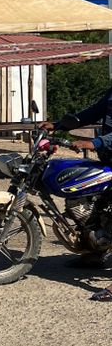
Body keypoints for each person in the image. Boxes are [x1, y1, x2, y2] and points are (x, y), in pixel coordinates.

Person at [42, 90, 112, 300]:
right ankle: (95, 254)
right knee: (93, 203)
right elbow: (90, 113)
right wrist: (58, 125)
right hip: (109, 158)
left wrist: (94, 143)